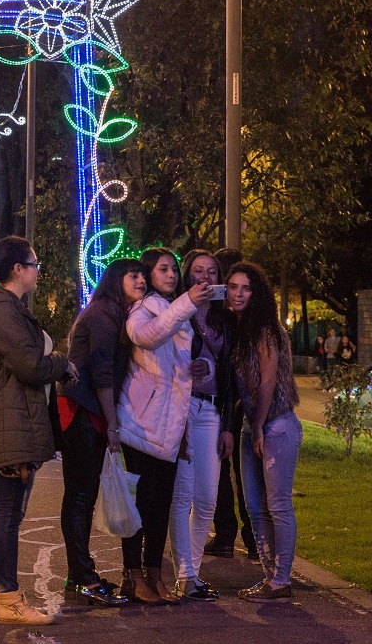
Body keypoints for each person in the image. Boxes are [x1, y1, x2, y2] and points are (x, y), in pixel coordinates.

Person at [0, 235, 70, 625]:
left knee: (5, 512)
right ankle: (10, 601)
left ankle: (2, 596)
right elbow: (31, 366)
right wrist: (61, 361)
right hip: (11, 420)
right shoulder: (4, 313)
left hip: (13, 417)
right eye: (34, 264)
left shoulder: (4, 308)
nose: (38, 270)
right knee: (9, 514)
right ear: (18, 270)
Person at [118, 247, 212, 605]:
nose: (171, 275)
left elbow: (185, 367)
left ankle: (155, 576)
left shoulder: (180, 313)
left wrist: (206, 369)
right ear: (149, 274)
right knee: (139, 507)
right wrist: (187, 302)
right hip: (141, 425)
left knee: (160, 506)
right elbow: (148, 336)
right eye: (163, 269)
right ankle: (133, 576)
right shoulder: (144, 309)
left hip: (170, 427)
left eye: (174, 269)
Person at [59, 259, 146, 607]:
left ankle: (79, 573)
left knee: (83, 495)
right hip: (83, 411)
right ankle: (82, 578)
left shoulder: (114, 314)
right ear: (115, 280)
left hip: (89, 410)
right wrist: (112, 425)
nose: (141, 280)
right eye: (133, 275)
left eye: (142, 275)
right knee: (79, 496)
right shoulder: (102, 316)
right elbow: (102, 375)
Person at [226, 262, 302, 602]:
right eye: (233, 287)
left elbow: (268, 382)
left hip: (277, 426)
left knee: (278, 505)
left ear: (257, 294)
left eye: (246, 288)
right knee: (255, 506)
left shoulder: (266, 330)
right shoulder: (239, 329)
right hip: (251, 426)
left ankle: (281, 579)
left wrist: (257, 427)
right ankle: (270, 577)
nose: (238, 294)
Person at [168, 250, 235, 602]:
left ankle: (191, 570)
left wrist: (228, 424)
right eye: (197, 271)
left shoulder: (225, 320)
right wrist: (187, 370)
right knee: (183, 495)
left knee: (207, 497)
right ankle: (186, 576)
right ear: (186, 276)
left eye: (211, 272)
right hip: (181, 409)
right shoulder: (178, 311)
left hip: (211, 410)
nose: (205, 277)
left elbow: (229, 374)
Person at [206, 246, 258, 563]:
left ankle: (227, 535)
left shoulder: (224, 318)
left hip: (231, 402)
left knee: (225, 472)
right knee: (243, 473)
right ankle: (251, 540)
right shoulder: (247, 316)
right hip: (241, 403)